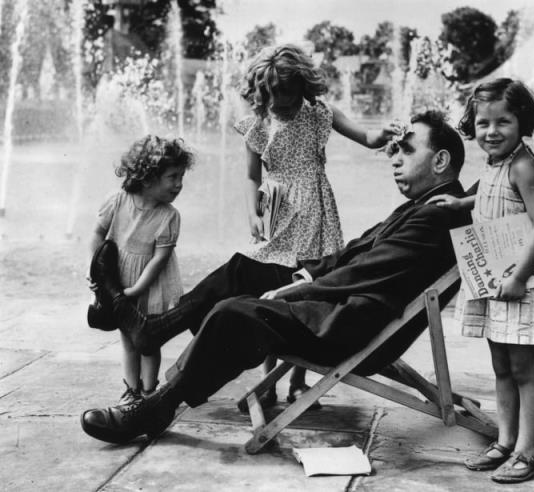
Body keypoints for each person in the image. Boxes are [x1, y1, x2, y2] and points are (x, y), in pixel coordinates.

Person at [80, 110, 470, 446]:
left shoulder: (438, 215)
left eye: (407, 150)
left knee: (235, 313)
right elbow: (355, 254)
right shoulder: (429, 207)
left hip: (347, 325)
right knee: (242, 271)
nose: (394, 158)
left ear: (440, 161)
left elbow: (368, 271)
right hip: (342, 307)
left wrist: (299, 288)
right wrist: (304, 273)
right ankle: (153, 332)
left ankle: (158, 406)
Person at [234, 44, 400, 408]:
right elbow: (250, 176)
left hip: (315, 209)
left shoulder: (319, 114)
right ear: (262, 90)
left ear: (303, 84)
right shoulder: (258, 123)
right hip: (276, 206)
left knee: (309, 289)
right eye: (274, 91)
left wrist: (384, 133)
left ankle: (297, 379)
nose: (282, 98)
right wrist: (253, 213)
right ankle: (267, 381)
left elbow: (366, 138)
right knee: (275, 289)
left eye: (289, 89)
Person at [427, 78, 534, 484]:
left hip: (520, 284)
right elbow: (491, 194)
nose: (491, 131)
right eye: (483, 123)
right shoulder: (495, 165)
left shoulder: (523, 165)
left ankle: (527, 451)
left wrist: (520, 277)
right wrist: (461, 202)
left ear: (522, 121)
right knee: (502, 368)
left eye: (503, 122)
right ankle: (505, 441)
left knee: (524, 370)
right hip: (496, 282)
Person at [87, 135, 194, 405]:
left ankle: (149, 392)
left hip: (148, 284)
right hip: (117, 280)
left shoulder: (169, 216)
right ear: (148, 178)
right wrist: (96, 272)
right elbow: (97, 235)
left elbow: (159, 260)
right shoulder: (118, 201)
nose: (179, 184)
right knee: (127, 339)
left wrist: (136, 290)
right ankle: (131, 390)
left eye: (181, 176)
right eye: (172, 177)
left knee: (148, 340)